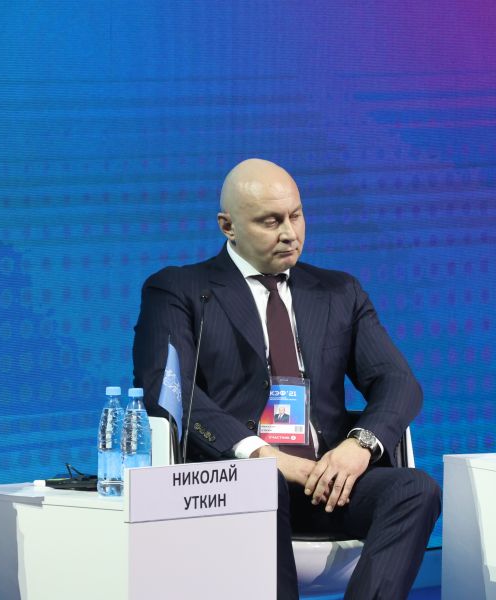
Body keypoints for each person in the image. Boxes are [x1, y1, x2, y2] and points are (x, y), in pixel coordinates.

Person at [133, 158, 441, 600]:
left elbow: (398, 382)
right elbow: (169, 392)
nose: (289, 233)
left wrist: (358, 447)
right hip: (236, 482)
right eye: (270, 221)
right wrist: (263, 455)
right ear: (228, 226)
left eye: (296, 215)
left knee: (416, 489)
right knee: (265, 482)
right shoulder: (180, 290)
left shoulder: (338, 292)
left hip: (325, 479)